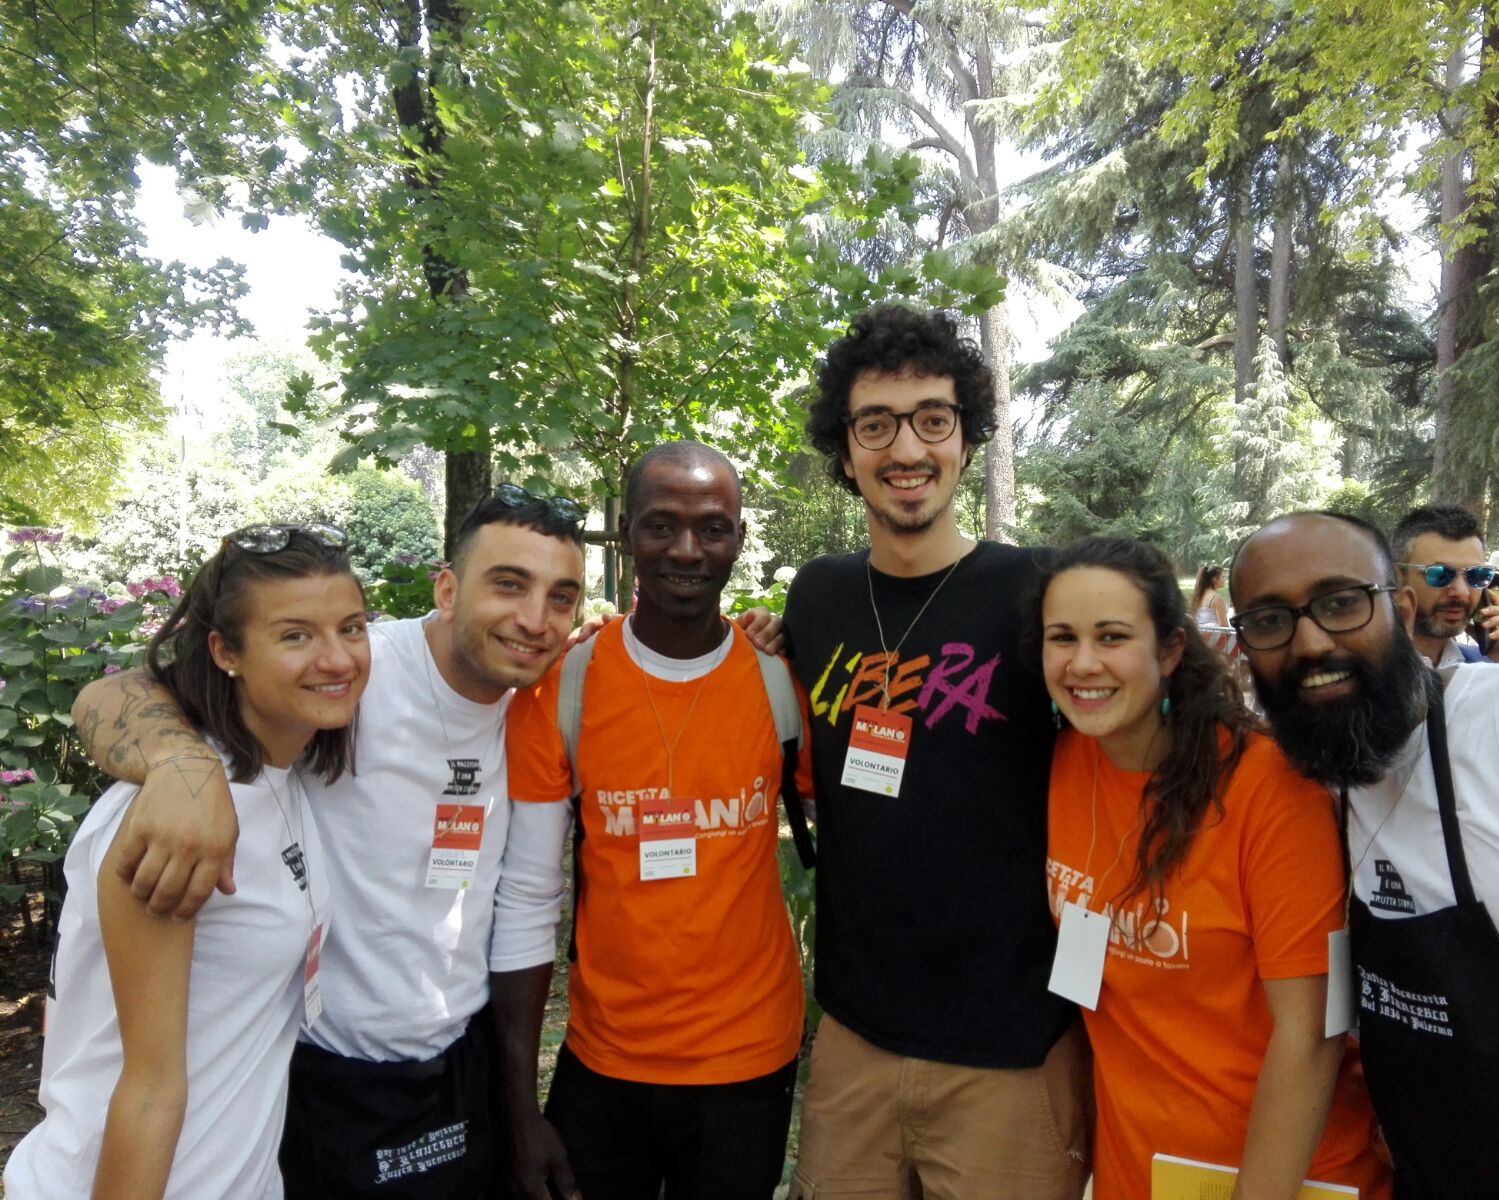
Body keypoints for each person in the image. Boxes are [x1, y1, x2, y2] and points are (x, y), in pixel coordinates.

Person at [69, 488, 586, 1200]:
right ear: (446, 589)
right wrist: (179, 763)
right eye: (508, 584)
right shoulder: (353, 677)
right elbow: (114, 694)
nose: (533, 619)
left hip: (459, 1062)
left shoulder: (539, 700)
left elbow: (527, 899)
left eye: (561, 597)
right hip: (325, 1070)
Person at [783, 304, 1090, 1200]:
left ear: (965, 436)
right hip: (854, 1038)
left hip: (1010, 1047)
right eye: (876, 424)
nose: (906, 448)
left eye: (931, 419)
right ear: (846, 451)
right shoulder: (817, 597)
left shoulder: (1036, 590)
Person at [1230, 510, 1499, 1200]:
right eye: (1270, 621)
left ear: (1401, 610)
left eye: (1341, 604)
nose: (1310, 643)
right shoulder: (1310, 784)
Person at [6, 524, 367, 1198]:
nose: (337, 658)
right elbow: (149, 1090)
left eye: (351, 628)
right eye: (295, 636)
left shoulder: (279, 776)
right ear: (225, 651)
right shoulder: (175, 821)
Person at [1033, 536, 1390, 1199]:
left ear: (1170, 650)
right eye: (1063, 638)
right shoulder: (1064, 763)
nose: (1083, 663)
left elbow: (1311, 1033)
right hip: (1137, 1170)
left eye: (1112, 637)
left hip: (1284, 1176)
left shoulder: (1268, 787)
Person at [505, 442, 809, 1200]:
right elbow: (528, 897)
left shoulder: (780, 681)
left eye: (713, 528)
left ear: (739, 538)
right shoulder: (565, 685)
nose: (687, 550)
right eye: (662, 524)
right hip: (604, 1061)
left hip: (749, 1061)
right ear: (625, 532)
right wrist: (518, 1107)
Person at [1389, 505, 1499, 666]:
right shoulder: (1367, 669)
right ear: (1395, 577)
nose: (1461, 592)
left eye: (1476, 575)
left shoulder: (1488, 664)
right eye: (1440, 574)